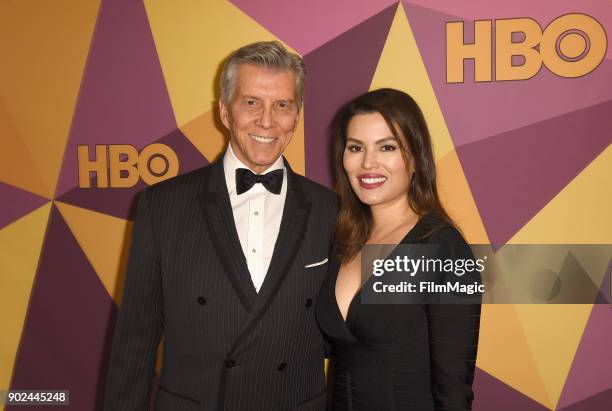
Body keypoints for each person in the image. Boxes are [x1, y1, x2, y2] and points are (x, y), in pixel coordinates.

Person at [104, 41, 337, 411]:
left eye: (282, 105)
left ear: (297, 115)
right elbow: (135, 340)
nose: (266, 121)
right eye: (251, 103)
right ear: (224, 112)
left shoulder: (331, 209)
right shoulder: (162, 205)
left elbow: (347, 334)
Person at [316, 88, 481, 410]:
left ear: (416, 158)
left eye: (387, 147)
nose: (368, 163)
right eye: (355, 147)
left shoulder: (442, 247)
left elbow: (453, 389)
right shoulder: (341, 241)